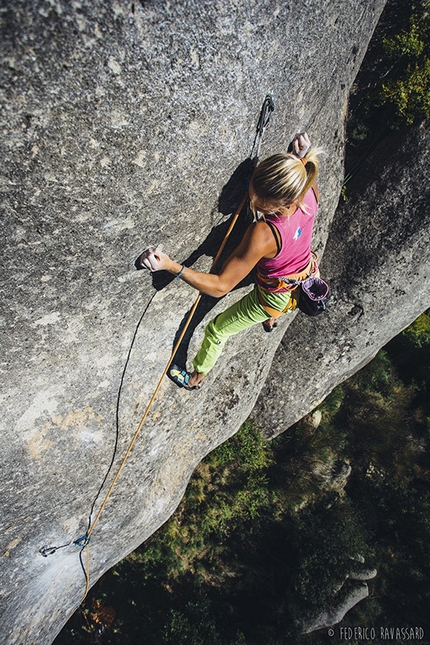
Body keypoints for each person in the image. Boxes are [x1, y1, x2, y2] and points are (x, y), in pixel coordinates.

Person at [140, 132, 321, 390]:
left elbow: (220, 286)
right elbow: (298, 178)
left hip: (275, 295)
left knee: (217, 330)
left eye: (259, 201)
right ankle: (271, 319)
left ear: (279, 203)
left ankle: (195, 378)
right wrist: (297, 159)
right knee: (269, 279)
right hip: (305, 273)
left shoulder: (264, 234)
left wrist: (170, 266)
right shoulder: (308, 186)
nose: (253, 202)